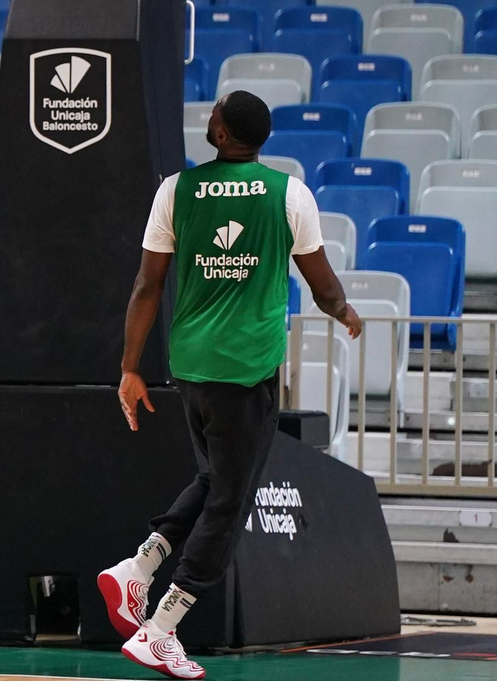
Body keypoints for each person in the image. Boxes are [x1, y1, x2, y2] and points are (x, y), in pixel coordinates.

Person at [98, 91, 363, 679]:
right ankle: (162, 629)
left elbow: (146, 286)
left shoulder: (175, 190)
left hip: (190, 367)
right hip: (247, 372)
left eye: (213, 113)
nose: (208, 117)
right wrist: (344, 310)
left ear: (219, 133)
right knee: (230, 501)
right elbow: (320, 284)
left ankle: (138, 570)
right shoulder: (290, 193)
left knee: (216, 480)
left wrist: (129, 367)